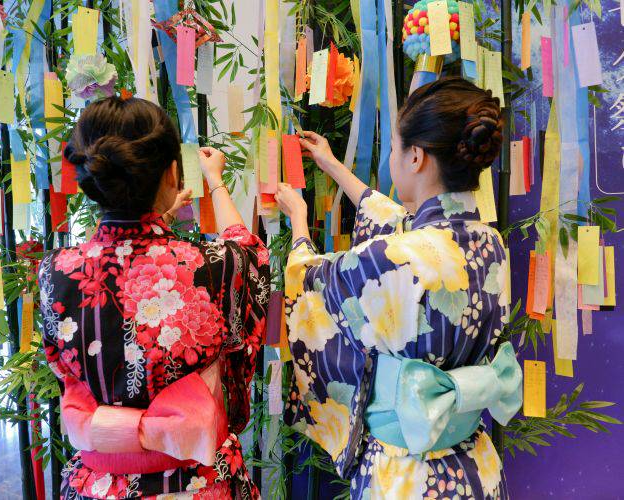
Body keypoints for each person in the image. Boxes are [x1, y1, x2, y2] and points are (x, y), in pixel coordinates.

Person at [276, 77, 523, 499]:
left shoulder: (392, 257)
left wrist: (300, 223)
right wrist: (333, 166)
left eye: (393, 148)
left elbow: (308, 283)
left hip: (407, 474)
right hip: (476, 466)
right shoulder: (490, 242)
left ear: (415, 157)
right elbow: (405, 227)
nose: (393, 157)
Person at [39, 96, 270, 499]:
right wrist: (215, 180)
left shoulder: (55, 271)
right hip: (196, 484)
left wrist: (156, 215)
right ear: (171, 173)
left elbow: (66, 366)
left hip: (98, 486)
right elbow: (249, 251)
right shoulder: (214, 267)